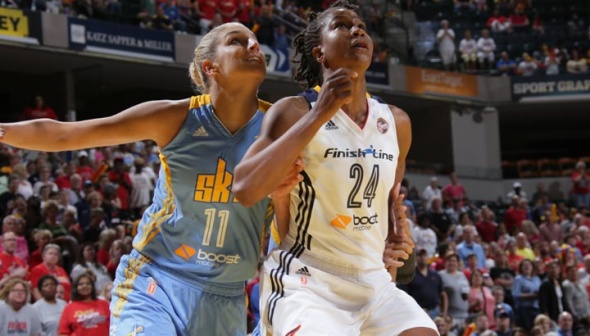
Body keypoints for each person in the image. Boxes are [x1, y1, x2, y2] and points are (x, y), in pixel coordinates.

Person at [0, 22, 303, 336]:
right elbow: (66, 135)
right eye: (237, 41)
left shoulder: (283, 128)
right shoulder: (175, 118)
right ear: (210, 66)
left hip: (227, 296)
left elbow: (295, 223)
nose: (254, 46)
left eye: (255, 41)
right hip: (156, 279)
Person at [234, 3, 437, 335]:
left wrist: (398, 243)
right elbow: (244, 188)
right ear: (320, 53)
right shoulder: (295, 111)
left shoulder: (397, 122)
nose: (357, 30)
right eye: (342, 26)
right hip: (308, 279)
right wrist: (320, 114)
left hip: (373, 282)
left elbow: (387, 213)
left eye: (360, 26)